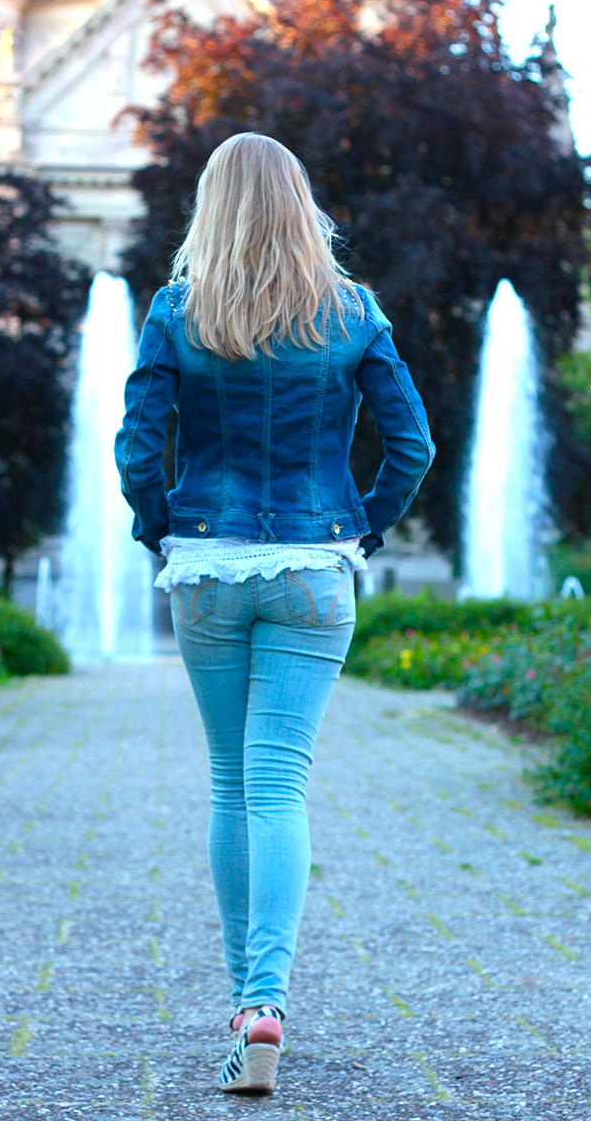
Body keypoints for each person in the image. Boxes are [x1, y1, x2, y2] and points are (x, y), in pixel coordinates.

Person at [115, 133, 434, 1094]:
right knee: (278, 786)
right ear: (303, 207)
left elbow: (137, 449)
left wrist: (159, 528)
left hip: (208, 565)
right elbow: (412, 447)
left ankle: (244, 1007)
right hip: (313, 564)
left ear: (210, 206)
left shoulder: (178, 311)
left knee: (230, 785)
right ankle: (268, 1002)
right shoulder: (353, 312)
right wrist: (361, 529)